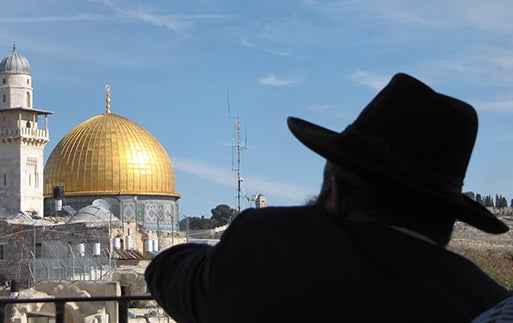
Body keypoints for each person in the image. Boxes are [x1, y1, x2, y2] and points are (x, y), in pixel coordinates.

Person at [145, 73, 510, 322]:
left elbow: (168, 270)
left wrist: (313, 223)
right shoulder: (486, 301)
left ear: (335, 193)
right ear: (448, 221)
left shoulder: (266, 245)